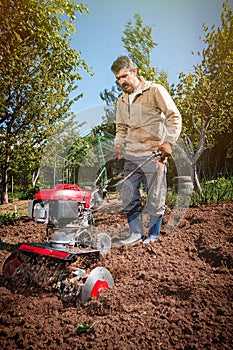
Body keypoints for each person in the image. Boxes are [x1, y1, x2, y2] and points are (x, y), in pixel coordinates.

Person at [111, 55, 182, 244]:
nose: (121, 82)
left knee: (155, 195)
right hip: (132, 155)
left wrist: (168, 142)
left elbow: (174, 117)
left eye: (124, 76)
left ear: (134, 72)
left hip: (154, 152)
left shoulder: (154, 90)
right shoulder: (121, 101)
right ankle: (134, 234)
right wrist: (118, 146)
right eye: (118, 79)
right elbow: (121, 128)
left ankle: (153, 235)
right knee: (128, 194)